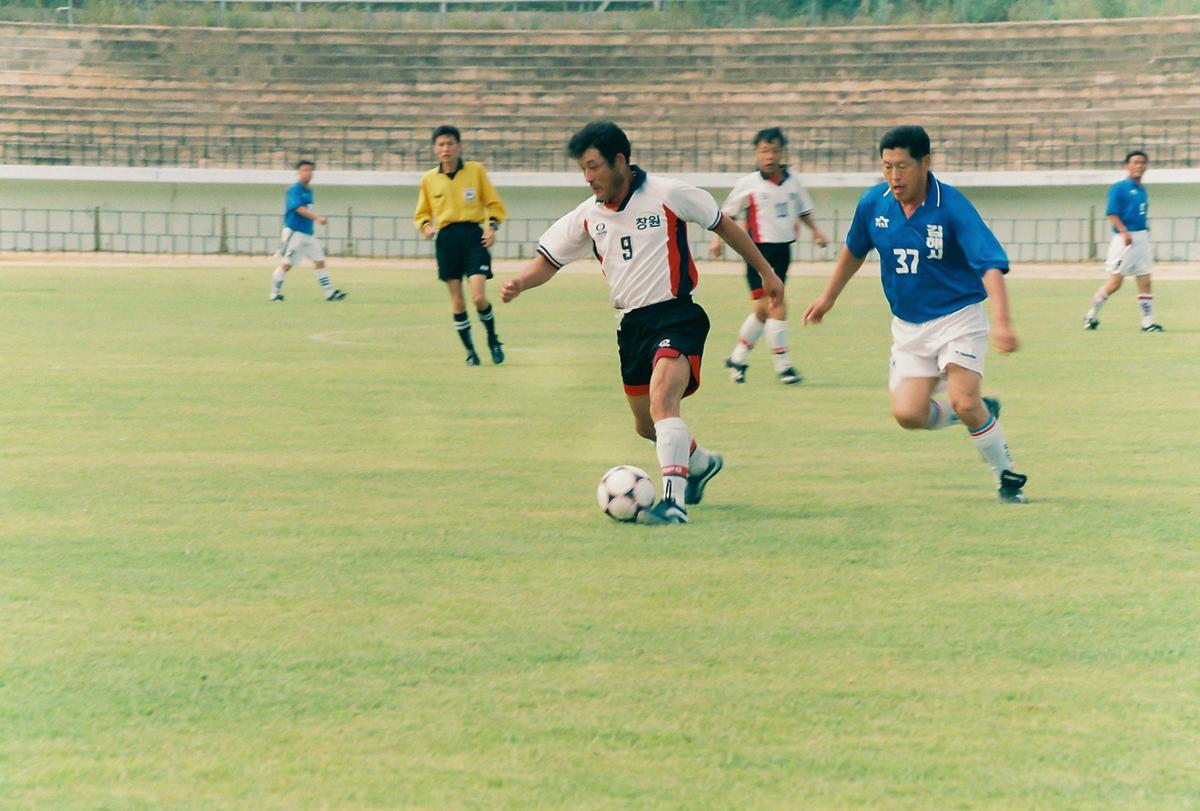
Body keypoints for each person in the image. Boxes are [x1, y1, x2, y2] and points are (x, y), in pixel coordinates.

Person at [501, 121, 784, 524]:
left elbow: (723, 223)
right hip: (631, 327)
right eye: (583, 169)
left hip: (676, 314)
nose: (588, 177)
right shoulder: (588, 216)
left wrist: (767, 272)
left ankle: (673, 504)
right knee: (647, 424)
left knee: (663, 401)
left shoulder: (667, 194)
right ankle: (701, 464)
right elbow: (548, 261)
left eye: (594, 166)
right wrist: (520, 283)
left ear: (619, 161)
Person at [802, 125, 1028, 504]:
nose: (894, 176)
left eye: (902, 166)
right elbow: (855, 249)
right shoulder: (874, 203)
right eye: (887, 166)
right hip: (908, 327)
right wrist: (828, 298)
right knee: (908, 414)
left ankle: (1006, 477)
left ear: (925, 163)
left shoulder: (951, 206)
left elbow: (989, 264)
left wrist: (1003, 323)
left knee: (964, 399)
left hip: (958, 319)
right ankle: (978, 412)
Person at [708, 127, 828, 385]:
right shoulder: (748, 184)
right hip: (756, 252)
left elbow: (803, 210)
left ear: (782, 152)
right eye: (764, 151)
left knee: (763, 311)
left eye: (774, 151)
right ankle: (784, 367)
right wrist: (717, 239)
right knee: (776, 305)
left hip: (783, 252)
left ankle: (737, 358)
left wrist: (816, 231)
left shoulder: (793, 182)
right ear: (757, 153)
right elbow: (726, 214)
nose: (770, 156)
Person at [414, 125, 508, 366]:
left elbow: (494, 204)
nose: (445, 149)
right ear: (435, 149)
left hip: (473, 237)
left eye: (450, 143)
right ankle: (470, 352)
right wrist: (426, 227)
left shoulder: (475, 171)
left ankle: (493, 339)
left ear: (459, 146)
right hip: (446, 240)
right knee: (457, 301)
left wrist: (492, 228)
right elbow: (422, 213)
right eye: (441, 144)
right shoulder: (429, 179)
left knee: (478, 296)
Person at [1082, 150, 1162, 332]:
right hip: (1124, 240)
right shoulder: (1119, 188)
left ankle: (1147, 323)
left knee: (1145, 280)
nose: (1139, 166)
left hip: (1141, 239)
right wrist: (1124, 231)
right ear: (1128, 166)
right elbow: (1112, 212)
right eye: (1135, 162)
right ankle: (1090, 315)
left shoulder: (1142, 190)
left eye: (1142, 162)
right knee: (1115, 283)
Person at [270, 159, 347, 302]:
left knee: (320, 261)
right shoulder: (294, 190)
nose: (308, 173)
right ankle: (275, 294)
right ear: (298, 173)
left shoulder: (309, 191)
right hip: (294, 233)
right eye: (305, 170)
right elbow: (299, 209)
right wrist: (317, 218)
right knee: (287, 264)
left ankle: (329, 293)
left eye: (310, 170)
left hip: (308, 234)